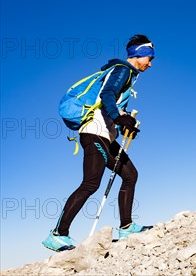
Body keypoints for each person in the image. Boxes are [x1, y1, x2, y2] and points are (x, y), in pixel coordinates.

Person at [42, 34, 155, 252]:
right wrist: (118, 117)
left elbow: (113, 107)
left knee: (130, 175)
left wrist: (125, 125)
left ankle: (126, 227)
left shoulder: (129, 77)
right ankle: (57, 235)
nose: (150, 64)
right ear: (138, 55)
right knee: (91, 183)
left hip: (106, 136)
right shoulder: (122, 70)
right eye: (149, 58)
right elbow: (108, 94)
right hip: (94, 133)